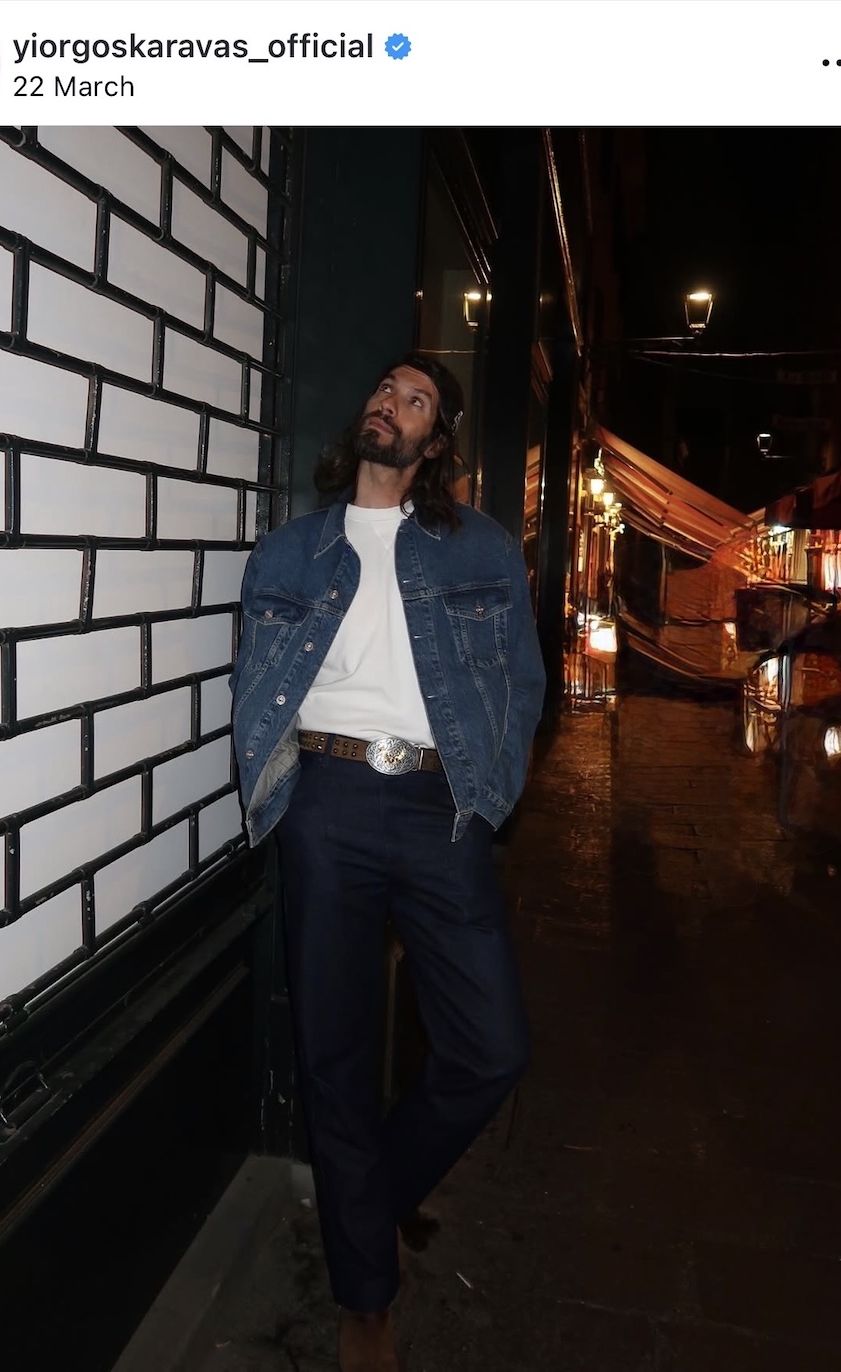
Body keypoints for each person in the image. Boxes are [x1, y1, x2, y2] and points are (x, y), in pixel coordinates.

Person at [230, 352, 546, 1371]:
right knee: (332, 1053)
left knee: (491, 1046)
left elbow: (523, 681)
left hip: (439, 808)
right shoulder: (291, 552)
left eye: (413, 400)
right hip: (326, 804)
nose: (388, 404)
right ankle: (364, 1297)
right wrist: (280, 796)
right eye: (383, 390)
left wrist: (487, 799)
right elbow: (254, 682)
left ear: (435, 440)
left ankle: (362, 1209)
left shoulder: (480, 548)